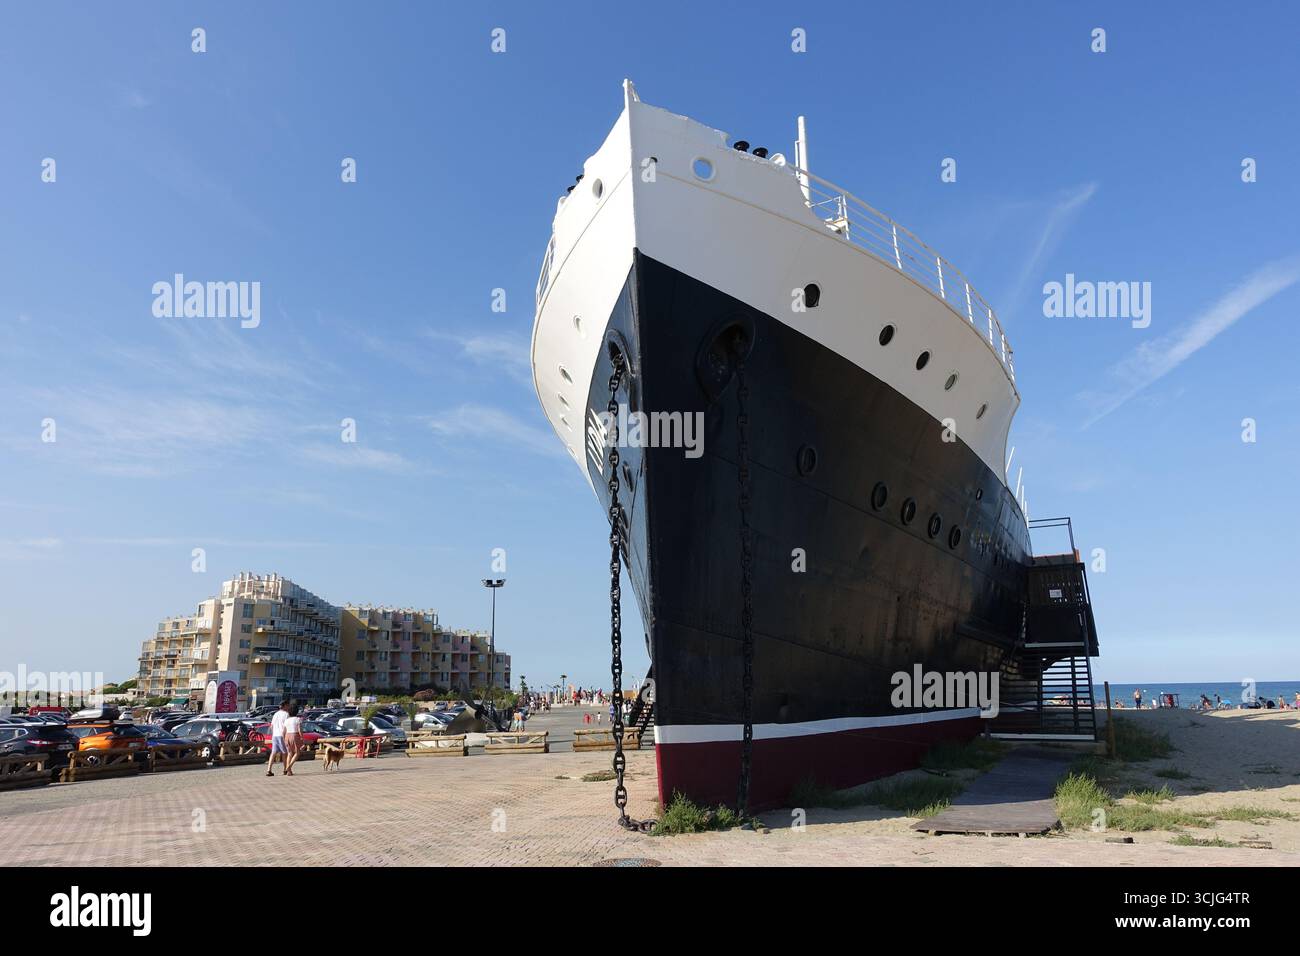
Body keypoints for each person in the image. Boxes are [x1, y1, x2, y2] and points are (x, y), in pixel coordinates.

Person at [266, 700, 290, 777]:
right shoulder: (286, 714)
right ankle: (285, 769)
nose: (289, 707)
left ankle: (269, 770)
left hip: (275, 735)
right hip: (282, 735)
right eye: (288, 705)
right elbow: (286, 726)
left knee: (273, 753)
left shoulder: (275, 714)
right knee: (284, 752)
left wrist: (273, 734)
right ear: (285, 705)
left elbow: (272, 726)